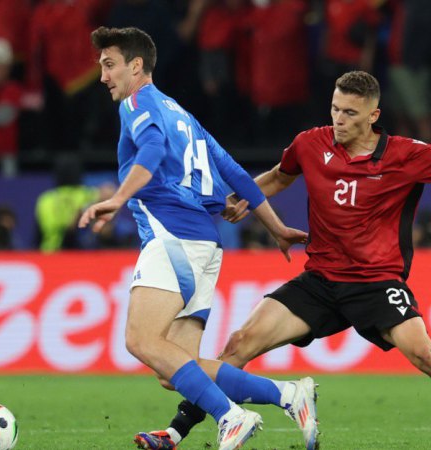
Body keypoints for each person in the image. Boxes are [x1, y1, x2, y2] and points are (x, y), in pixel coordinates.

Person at [140, 71, 431, 450]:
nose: (338, 120)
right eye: (335, 109)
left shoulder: (404, 155)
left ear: (373, 115)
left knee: (426, 355)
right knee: (239, 344)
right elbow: (280, 176)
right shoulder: (310, 143)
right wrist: (244, 198)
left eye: (350, 113)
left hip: (377, 283)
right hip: (320, 280)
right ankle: (175, 433)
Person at [78, 27, 315, 450]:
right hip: (206, 243)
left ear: (136, 65)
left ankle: (231, 416)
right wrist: (275, 227)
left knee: (140, 340)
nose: (103, 76)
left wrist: (117, 198)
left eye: (109, 65)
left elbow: (151, 150)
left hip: (173, 237)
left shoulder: (137, 103)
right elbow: (235, 172)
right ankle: (288, 394)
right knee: (174, 369)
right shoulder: (182, 114)